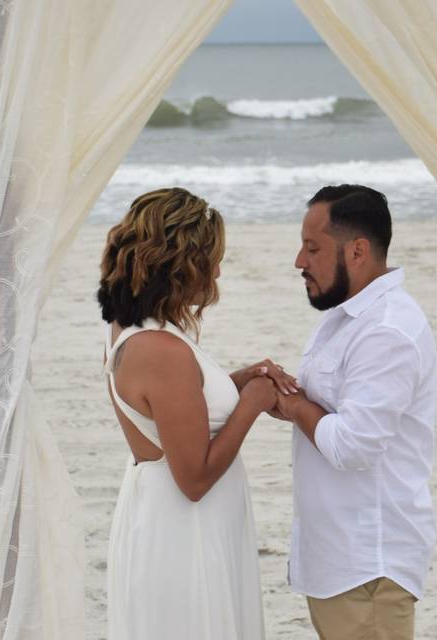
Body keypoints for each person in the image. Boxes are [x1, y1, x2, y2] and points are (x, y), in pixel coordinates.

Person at [97, 187, 296, 640]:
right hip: (184, 532)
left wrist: (235, 380)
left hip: (166, 518)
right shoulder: (161, 349)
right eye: (212, 259)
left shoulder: (131, 329)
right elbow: (195, 477)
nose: (219, 271)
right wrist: (253, 402)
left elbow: (171, 409)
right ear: (181, 265)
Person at [272, 185, 437, 640]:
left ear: (358, 251)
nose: (299, 262)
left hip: (368, 567)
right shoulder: (347, 317)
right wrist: (281, 397)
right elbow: (331, 410)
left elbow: (352, 445)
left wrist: (293, 404)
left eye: (313, 248)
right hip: (340, 561)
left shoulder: (387, 330)